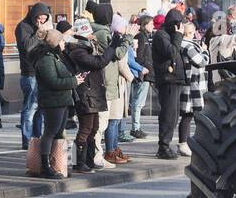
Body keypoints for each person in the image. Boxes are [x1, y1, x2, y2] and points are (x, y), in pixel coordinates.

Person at [66, 16, 132, 173]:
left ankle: (88, 160)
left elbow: (100, 60)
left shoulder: (85, 49)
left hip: (93, 93)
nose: (93, 36)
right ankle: (77, 162)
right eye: (90, 34)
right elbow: (99, 62)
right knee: (85, 129)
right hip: (86, 94)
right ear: (84, 35)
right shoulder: (78, 52)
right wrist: (113, 46)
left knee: (94, 128)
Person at [33, 28, 85, 180]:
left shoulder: (55, 57)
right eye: (61, 40)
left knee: (57, 132)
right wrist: (74, 81)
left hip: (61, 100)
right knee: (50, 132)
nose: (64, 43)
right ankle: (45, 166)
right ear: (55, 43)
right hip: (52, 101)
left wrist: (74, 79)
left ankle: (56, 163)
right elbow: (52, 82)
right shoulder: (46, 60)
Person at [150, 8, 187, 159]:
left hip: (175, 79)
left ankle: (166, 144)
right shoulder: (161, 35)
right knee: (168, 114)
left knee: (174, 115)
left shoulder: (170, 35)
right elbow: (171, 52)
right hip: (168, 79)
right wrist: (178, 36)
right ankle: (163, 147)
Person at [15, 2, 51, 151]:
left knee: (39, 110)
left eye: (44, 18)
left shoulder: (42, 27)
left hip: (41, 72)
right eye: (39, 18)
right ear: (34, 16)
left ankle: (37, 138)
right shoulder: (23, 27)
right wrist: (39, 32)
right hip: (29, 73)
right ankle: (27, 140)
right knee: (30, 109)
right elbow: (27, 46)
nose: (41, 21)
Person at [177, 20, 209, 157]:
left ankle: (186, 143)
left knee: (188, 115)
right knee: (193, 115)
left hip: (189, 83)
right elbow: (201, 62)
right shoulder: (188, 46)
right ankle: (194, 144)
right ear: (190, 32)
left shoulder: (181, 44)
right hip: (194, 85)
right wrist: (205, 52)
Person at [132, 12, 156, 139]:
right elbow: (139, 56)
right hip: (143, 73)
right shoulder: (141, 37)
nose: (153, 26)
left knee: (139, 102)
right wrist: (144, 68)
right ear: (145, 25)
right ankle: (135, 128)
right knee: (138, 102)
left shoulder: (145, 37)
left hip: (146, 72)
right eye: (151, 24)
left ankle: (137, 127)